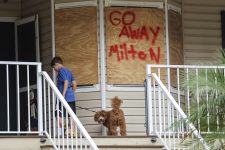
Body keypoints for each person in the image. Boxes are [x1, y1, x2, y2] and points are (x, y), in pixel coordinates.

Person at [51, 56, 77, 137]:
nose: (54, 70)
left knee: (57, 114)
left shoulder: (61, 71)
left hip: (64, 97)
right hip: (71, 97)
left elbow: (65, 82)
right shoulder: (69, 71)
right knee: (71, 115)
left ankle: (64, 129)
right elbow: (74, 84)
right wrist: (72, 92)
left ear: (56, 64)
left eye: (53, 67)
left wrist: (63, 95)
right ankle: (73, 131)